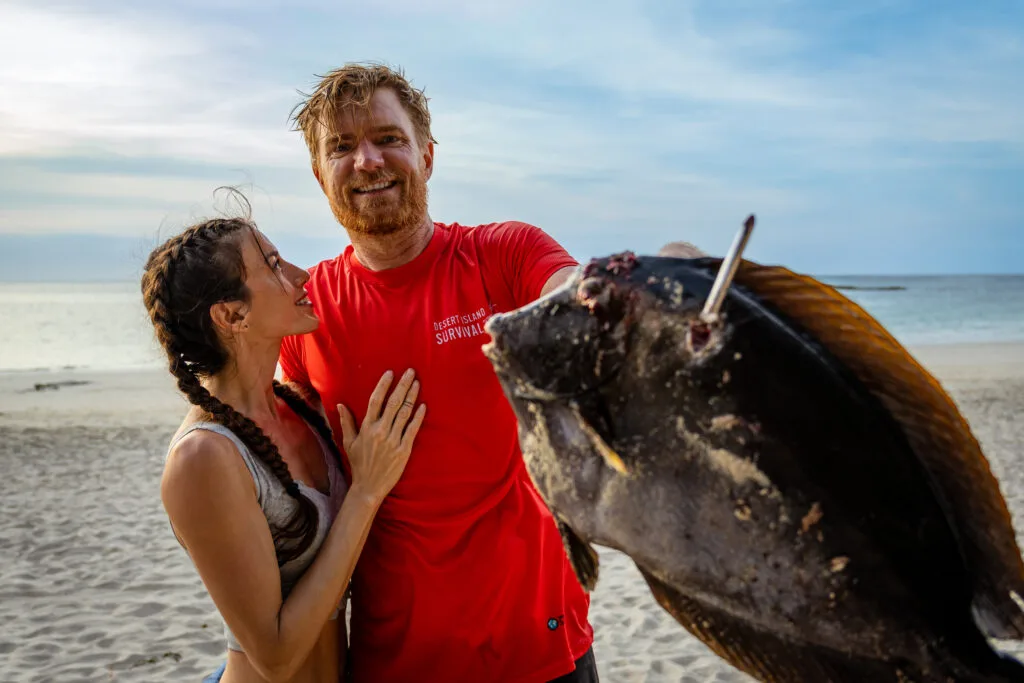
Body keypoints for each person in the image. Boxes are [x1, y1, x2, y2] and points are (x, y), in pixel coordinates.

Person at [280, 63, 598, 682]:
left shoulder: (503, 255)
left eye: (388, 138)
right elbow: (264, 450)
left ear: (426, 154)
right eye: (341, 147)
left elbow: (577, 297)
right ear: (320, 176)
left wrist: (630, 290)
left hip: (537, 645)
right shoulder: (307, 310)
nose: (367, 160)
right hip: (394, 657)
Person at [141, 209, 427, 683]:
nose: (301, 274)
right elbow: (274, 657)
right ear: (232, 315)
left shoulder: (298, 405)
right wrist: (365, 492)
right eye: (273, 265)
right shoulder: (204, 458)